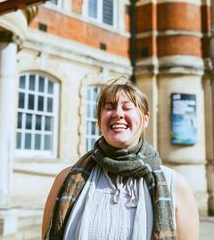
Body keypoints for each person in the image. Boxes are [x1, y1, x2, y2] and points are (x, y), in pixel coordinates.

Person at [42, 78, 199, 239]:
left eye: (127, 107)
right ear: (99, 119)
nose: (118, 113)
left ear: (145, 119)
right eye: (109, 107)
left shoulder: (175, 185)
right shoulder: (65, 180)